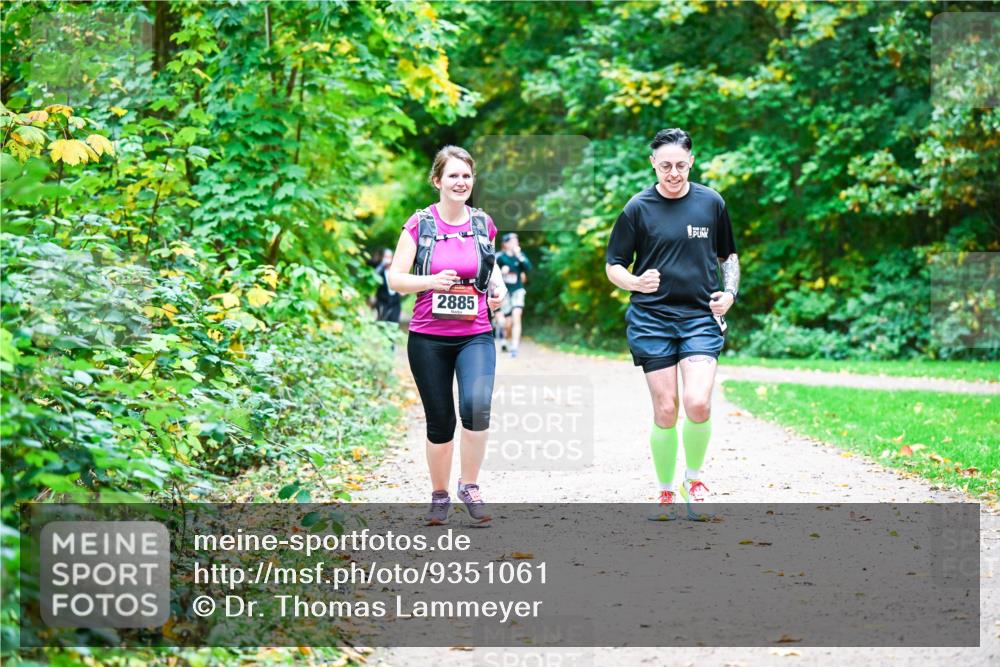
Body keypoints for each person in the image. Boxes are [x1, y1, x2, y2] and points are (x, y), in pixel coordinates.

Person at [604, 128, 740, 520]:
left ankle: (693, 481)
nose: (674, 173)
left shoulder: (711, 203)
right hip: (652, 320)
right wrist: (634, 282)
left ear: (691, 161)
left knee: (697, 402)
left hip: (700, 317)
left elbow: (728, 256)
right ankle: (665, 491)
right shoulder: (637, 208)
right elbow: (614, 265)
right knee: (666, 409)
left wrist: (730, 294)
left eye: (680, 165)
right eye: (665, 166)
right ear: (653, 164)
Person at [387, 146, 507, 526]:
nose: (461, 182)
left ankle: (469, 486)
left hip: (476, 333)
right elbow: (396, 279)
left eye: (467, 176)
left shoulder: (482, 223)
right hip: (428, 337)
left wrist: (499, 288)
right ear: (437, 180)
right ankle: (439, 495)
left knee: (476, 406)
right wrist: (431, 281)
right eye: (453, 175)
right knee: (440, 420)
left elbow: (490, 265)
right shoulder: (419, 224)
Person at [496, 233, 532, 358]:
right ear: (505, 244)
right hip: (504, 292)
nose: (515, 243)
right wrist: (501, 272)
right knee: (507, 323)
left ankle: (515, 347)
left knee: (517, 315)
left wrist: (519, 255)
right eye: (512, 241)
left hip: (517, 290)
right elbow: (489, 272)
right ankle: (504, 339)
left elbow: (528, 267)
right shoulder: (500, 257)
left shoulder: (519, 256)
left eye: (516, 241)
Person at [374, 248, 401, 323]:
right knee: (382, 322)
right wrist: (382, 265)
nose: (387, 259)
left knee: (394, 324)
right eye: (385, 257)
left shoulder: (397, 270)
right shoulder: (380, 270)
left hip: (395, 302)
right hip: (382, 302)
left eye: (389, 257)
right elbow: (374, 276)